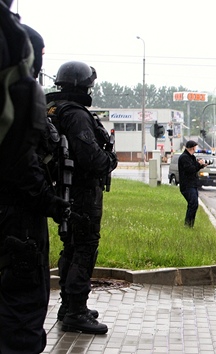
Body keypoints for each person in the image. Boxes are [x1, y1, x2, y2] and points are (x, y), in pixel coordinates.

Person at [0, 8, 68, 353]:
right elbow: (22, 164)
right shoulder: (19, 94)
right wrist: (52, 202)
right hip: (18, 219)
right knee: (21, 310)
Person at [46, 61, 118, 335]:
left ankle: (69, 307)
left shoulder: (53, 109)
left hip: (65, 190)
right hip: (82, 192)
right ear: (81, 86)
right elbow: (92, 158)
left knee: (72, 247)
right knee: (84, 248)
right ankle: (75, 311)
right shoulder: (75, 114)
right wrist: (110, 160)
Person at [178, 140, 207, 227]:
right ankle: (187, 224)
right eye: (195, 147)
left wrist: (202, 165)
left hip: (193, 184)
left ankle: (190, 224)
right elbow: (190, 169)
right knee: (193, 203)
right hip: (187, 185)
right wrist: (198, 164)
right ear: (192, 147)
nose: (196, 149)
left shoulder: (192, 157)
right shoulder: (184, 158)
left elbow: (195, 167)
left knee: (194, 204)